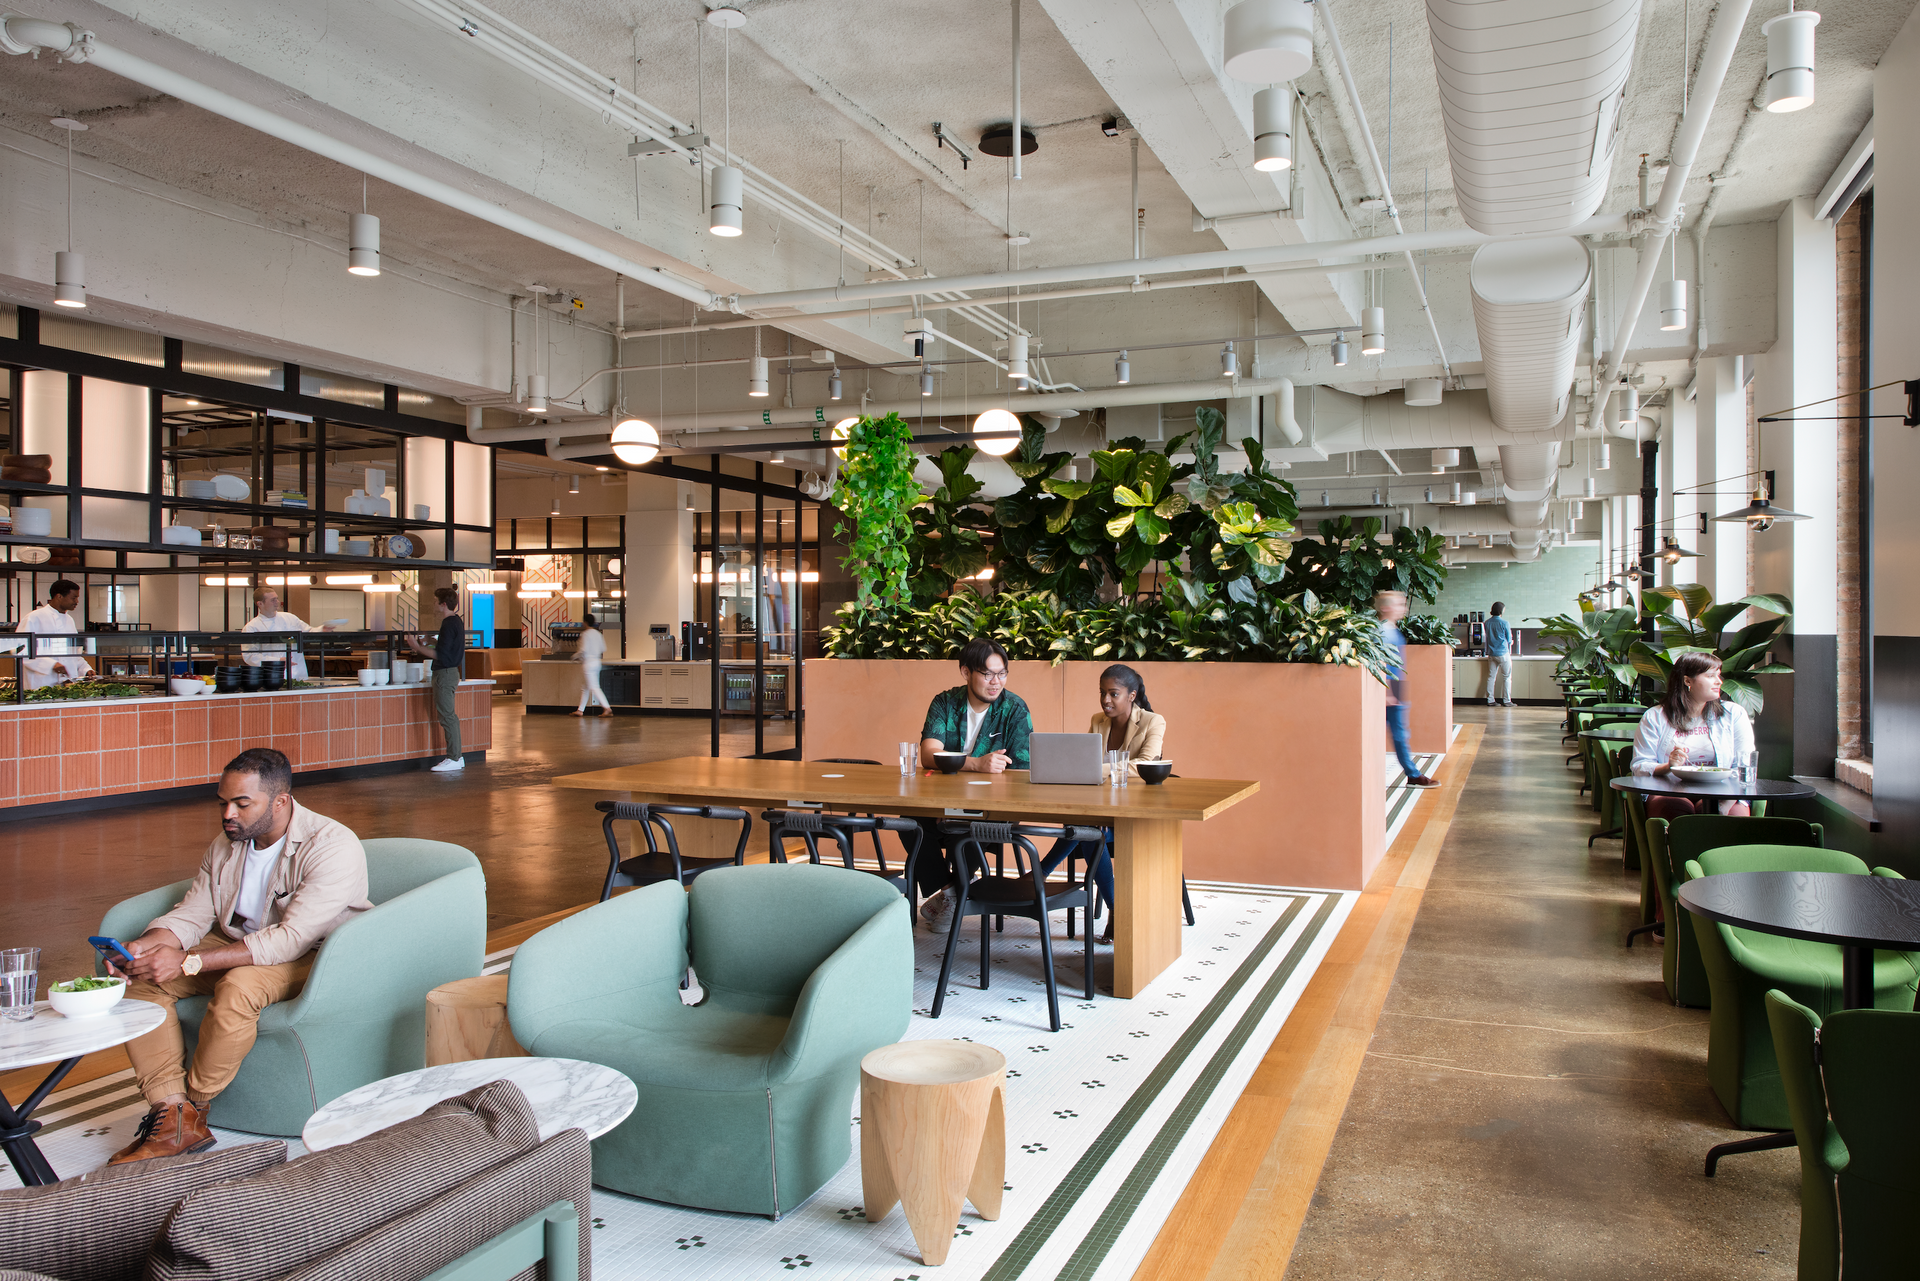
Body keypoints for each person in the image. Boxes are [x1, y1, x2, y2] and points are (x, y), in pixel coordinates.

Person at [106, 748, 370, 1163]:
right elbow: (195, 911)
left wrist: (188, 961)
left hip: (314, 955)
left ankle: (193, 1108)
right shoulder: (228, 843)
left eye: (242, 803)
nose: (228, 813)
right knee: (140, 981)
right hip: (240, 941)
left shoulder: (331, 845)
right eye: (222, 802)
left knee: (239, 988)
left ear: (280, 801)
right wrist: (152, 944)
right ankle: (171, 1112)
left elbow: (291, 939)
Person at [1035, 664, 1162, 942]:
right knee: (1090, 828)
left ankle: (1039, 873)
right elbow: (1084, 761)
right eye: (1102, 693)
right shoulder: (1098, 721)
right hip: (1100, 808)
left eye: (1113, 693)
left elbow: (1144, 764)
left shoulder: (1154, 722)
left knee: (1089, 830)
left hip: (1134, 814)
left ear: (1131, 695)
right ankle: (1117, 909)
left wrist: (1098, 768)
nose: (1106, 700)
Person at [913, 638, 1034, 922]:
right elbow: (929, 754)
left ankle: (953, 894)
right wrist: (976, 764)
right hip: (943, 802)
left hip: (994, 807)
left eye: (1002, 673)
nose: (996, 681)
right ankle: (952, 890)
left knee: (970, 825)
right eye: (987, 674)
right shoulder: (945, 702)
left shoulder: (1014, 709)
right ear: (966, 672)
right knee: (909, 820)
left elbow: (1023, 771)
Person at [1630, 652, 1753, 819]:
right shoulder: (1655, 716)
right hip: (1669, 790)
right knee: (1674, 808)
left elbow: (1743, 764)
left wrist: (1726, 803)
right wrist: (1668, 766)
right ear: (1687, 681)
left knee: (1731, 818)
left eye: (1718, 675)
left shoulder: (1733, 714)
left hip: (1722, 790)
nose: (1719, 681)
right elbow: (1640, 766)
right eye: (1710, 676)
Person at [1376, 591, 1440, 789]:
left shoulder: (1390, 629)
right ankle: (1413, 775)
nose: (1404, 609)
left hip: (1395, 685)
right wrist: (1387, 691)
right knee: (1399, 733)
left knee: (1399, 732)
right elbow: (1381, 661)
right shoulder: (1383, 631)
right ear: (1386, 608)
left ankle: (1412, 774)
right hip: (1390, 687)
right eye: (1399, 605)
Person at [407, 586, 467, 772]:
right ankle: (455, 756)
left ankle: (454, 757)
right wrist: (430, 641)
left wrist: (416, 646)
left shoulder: (448, 624)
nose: (433, 604)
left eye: (435, 601)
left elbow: (440, 654)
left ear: (443, 604)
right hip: (452, 672)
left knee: (447, 716)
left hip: (445, 674)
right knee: (448, 715)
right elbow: (446, 648)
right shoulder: (456, 621)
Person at [240, 587, 333, 676]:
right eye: (273, 600)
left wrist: (322, 630)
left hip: (297, 672)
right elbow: (249, 656)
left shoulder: (290, 618)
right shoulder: (251, 627)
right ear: (260, 604)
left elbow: (308, 631)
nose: (277, 602)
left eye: (277, 598)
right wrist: (277, 661)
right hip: (272, 674)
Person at [20, 579, 93, 691]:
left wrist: (85, 669)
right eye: (73, 598)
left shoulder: (69, 620)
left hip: (67, 685)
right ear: (59, 596)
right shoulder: (34, 617)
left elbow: (74, 653)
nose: (77, 601)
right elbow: (21, 650)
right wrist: (51, 665)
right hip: (41, 684)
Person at [571, 616, 612, 716]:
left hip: (588, 663)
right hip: (597, 662)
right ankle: (580, 710)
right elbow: (603, 648)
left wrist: (574, 656)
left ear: (585, 622)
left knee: (594, 687)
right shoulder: (598, 634)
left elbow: (583, 650)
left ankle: (607, 708)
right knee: (585, 687)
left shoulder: (585, 634)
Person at [1484, 601, 1514, 707]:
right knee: (1506, 677)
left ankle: (1490, 700)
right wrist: (1510, 642)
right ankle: (1507, 701)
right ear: (1501, 610)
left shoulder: (1487, 623)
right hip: (1503, 653)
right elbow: (1509, 640)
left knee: (1491, 677)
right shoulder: (1505, 623)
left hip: (1491, 654)